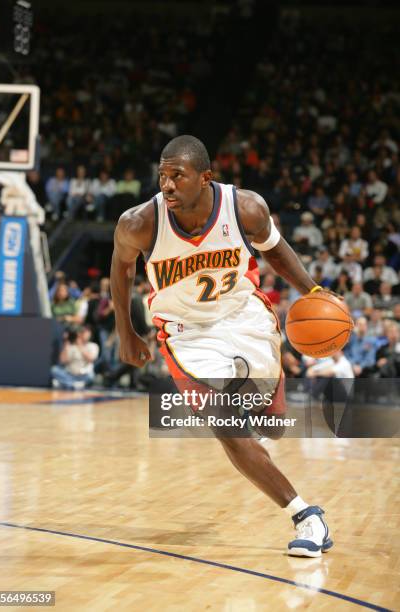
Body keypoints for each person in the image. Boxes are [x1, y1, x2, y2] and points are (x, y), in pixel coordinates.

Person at [111, 135, 334, 558]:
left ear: (205, 177)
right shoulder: (139, 222)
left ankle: (261, 419)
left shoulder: (245, 207)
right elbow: (120, 267)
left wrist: (314, 291)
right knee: (226, 424)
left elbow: (277, 251)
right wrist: (126, 328)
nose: (168, 185)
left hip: (244, 316)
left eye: (178, 176)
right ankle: (307, 516)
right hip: (186, 332)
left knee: (272, 427)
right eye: (162, 176)